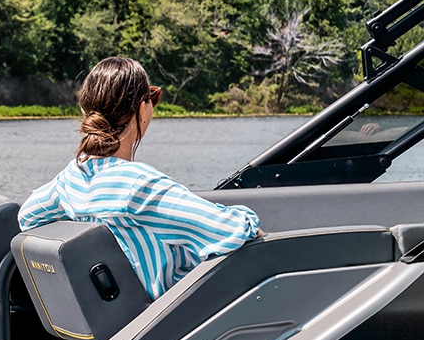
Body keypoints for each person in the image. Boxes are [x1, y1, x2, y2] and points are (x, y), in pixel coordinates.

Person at [18, 56, 262, 300]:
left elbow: (27, 217)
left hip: (126, 319)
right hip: (174, 317)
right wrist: (252, 223)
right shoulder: (139, 186)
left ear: (85, 111)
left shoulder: (70, 179)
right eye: (152, 97)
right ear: (142, 110)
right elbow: (232, 230)